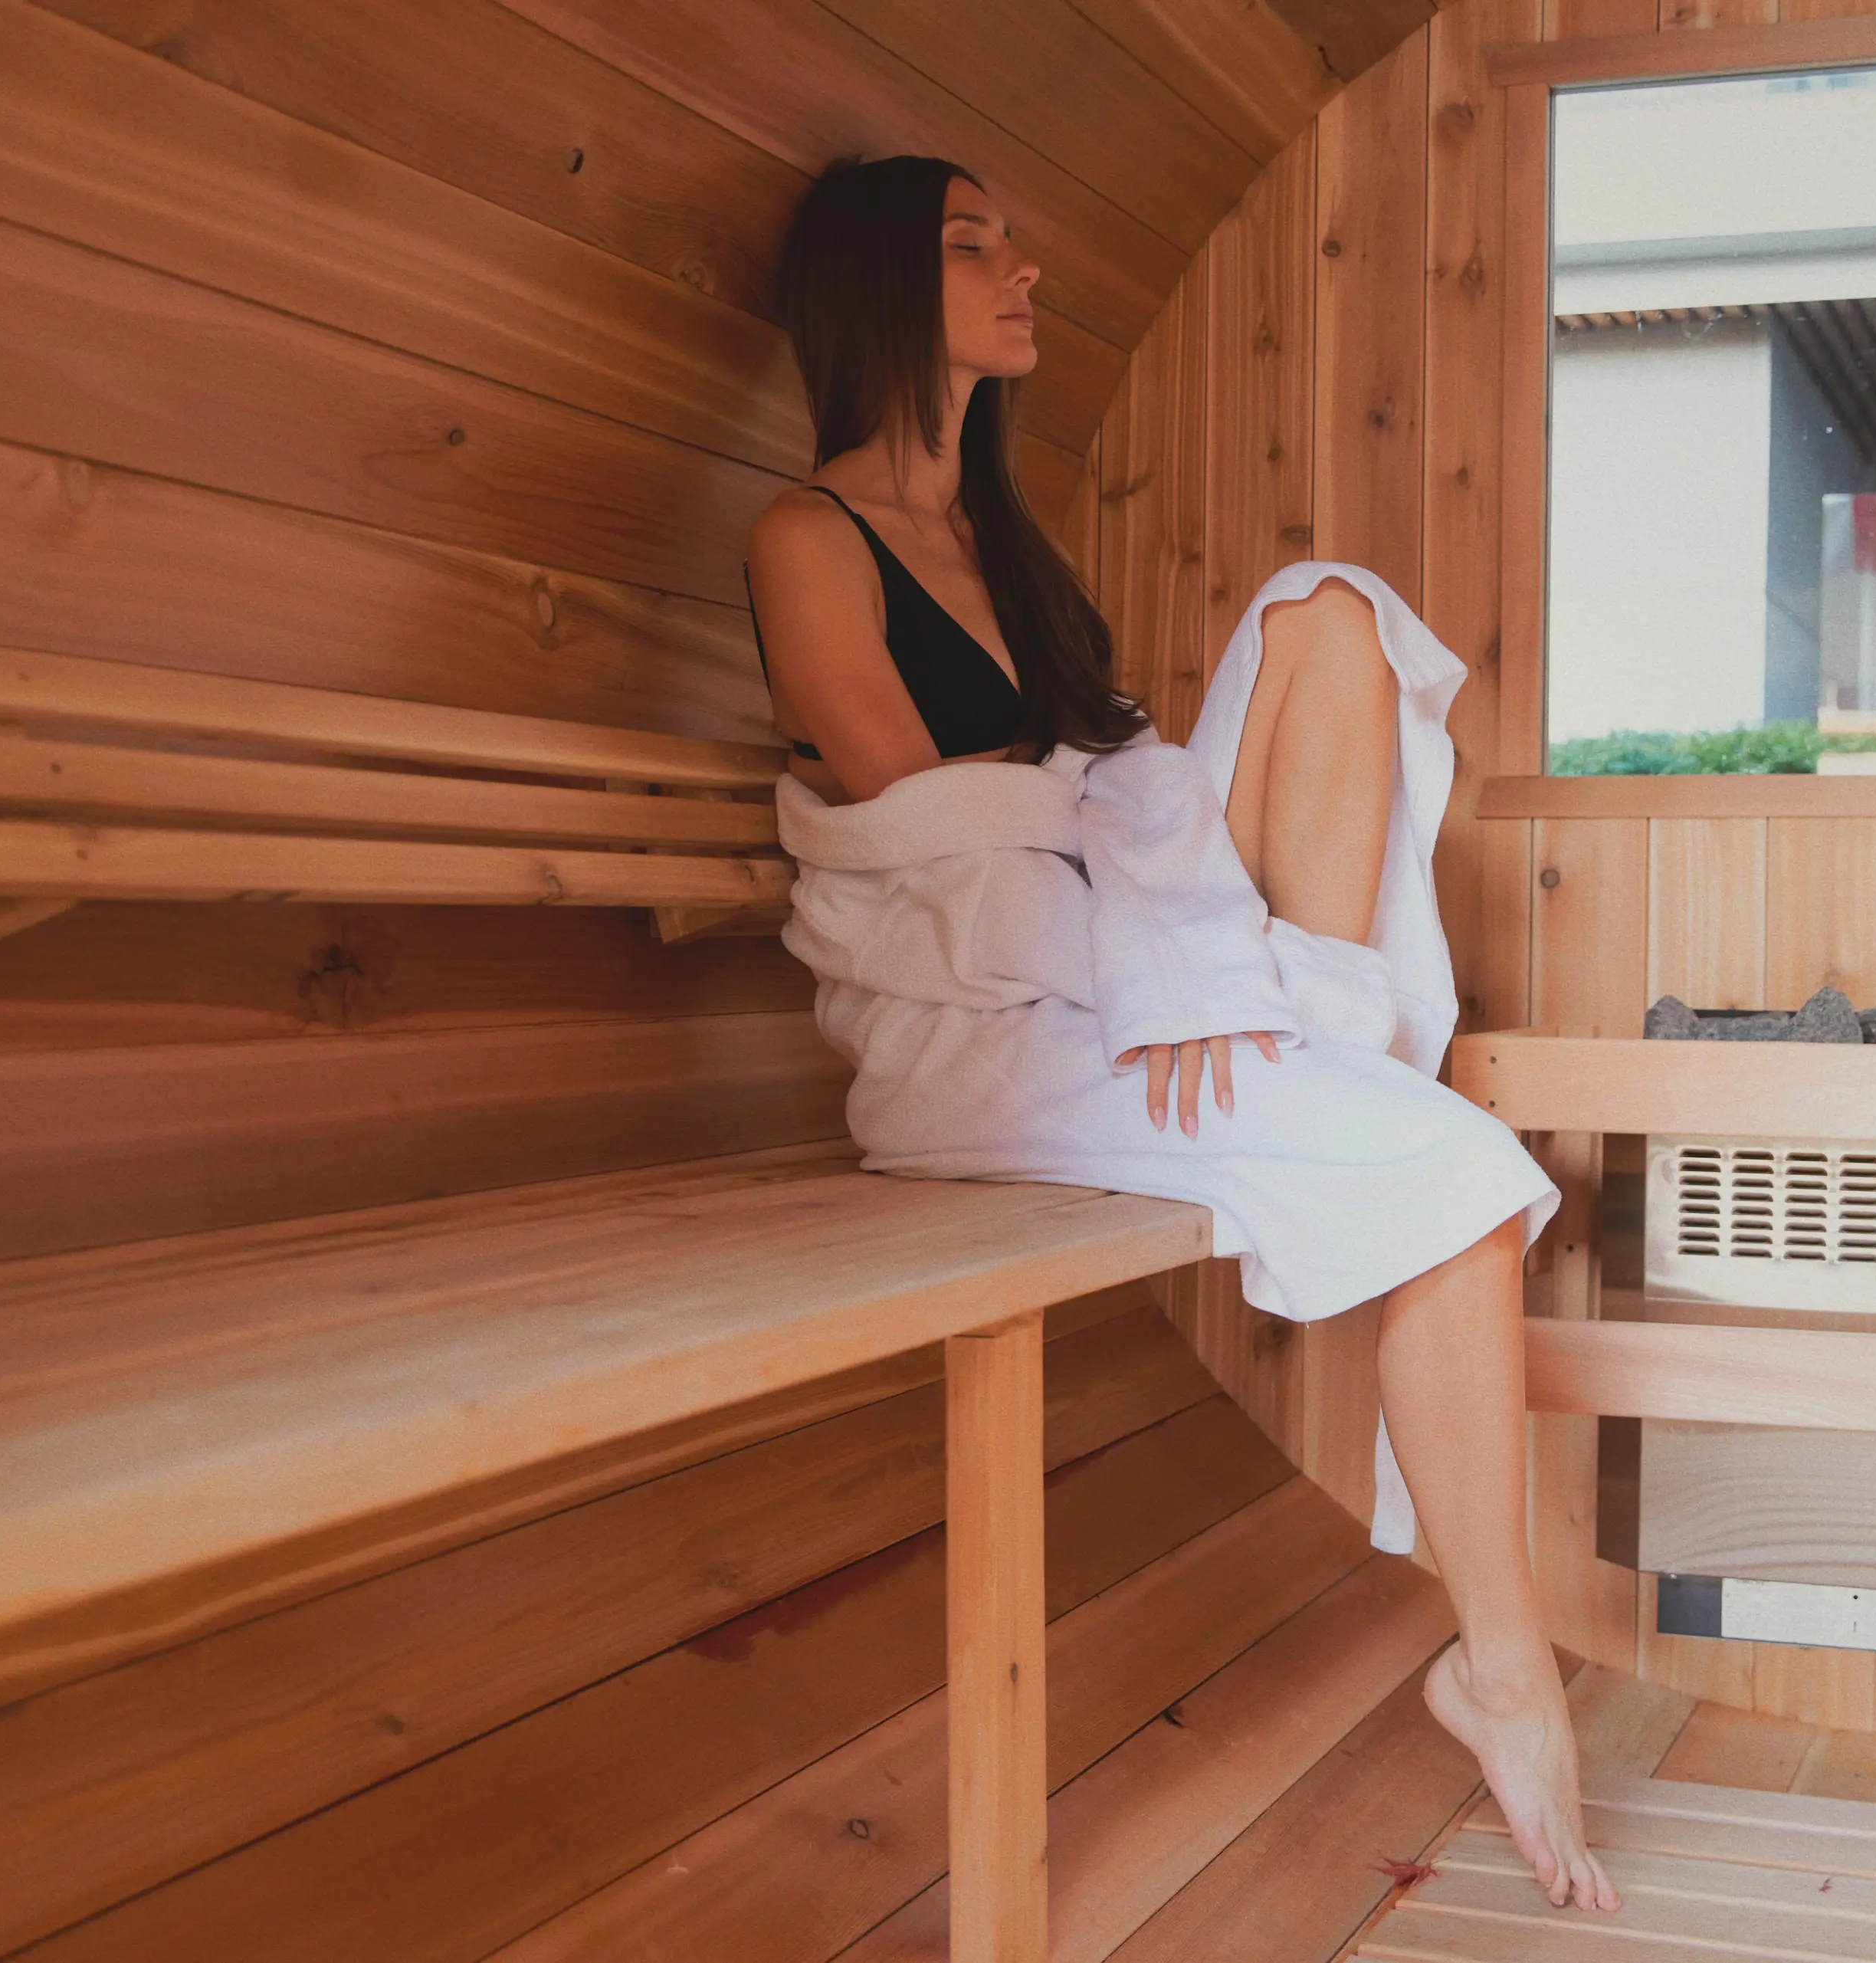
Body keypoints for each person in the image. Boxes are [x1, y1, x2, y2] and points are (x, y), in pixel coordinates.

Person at [745, 155, 1616, 1915]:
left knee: (1330, 608)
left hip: (1128, 982)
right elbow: (934, 833)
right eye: (971, 243)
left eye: (1017, 231)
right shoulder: (805, 537)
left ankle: (1295, 1027)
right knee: (1453, 1174)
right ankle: (1504, 1671)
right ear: (871, 291)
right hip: (980, 1025)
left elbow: (1107, 799)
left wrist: (1183, 946)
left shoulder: (1006, 547)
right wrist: (1162, 947)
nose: (1027, 263)